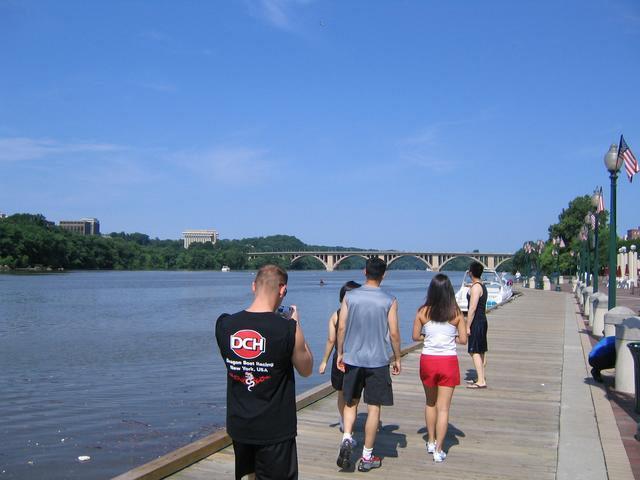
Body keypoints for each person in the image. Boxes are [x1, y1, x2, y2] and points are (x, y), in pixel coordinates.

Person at [215, 265, 313, 480]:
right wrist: (296, 323)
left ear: (253, 286)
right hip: (274, 428)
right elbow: (306, 369)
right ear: (282, 290)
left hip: (239, 424)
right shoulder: (287, 329)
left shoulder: (224, 325)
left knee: (249, 475)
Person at [335, 258, 401, 472]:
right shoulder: (389, 300)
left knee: (351, 403)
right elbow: (393, 333)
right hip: (377, 361)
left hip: (353, 359)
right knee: (374, 408)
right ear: (385, 274)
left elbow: (342, 326)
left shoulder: (350, 297)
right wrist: (397, 357)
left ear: (364, 272)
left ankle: (346, 438)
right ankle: (366, 457)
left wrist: (341, 352)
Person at [412, 274, 467, 463]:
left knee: (430, 403)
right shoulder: (456, 313)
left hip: (428, 360)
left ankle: (430, 440)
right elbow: (463, 340)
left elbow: (415, 337)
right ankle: (439, 450)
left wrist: (427, 338)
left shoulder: (422, 312)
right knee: (443, 408)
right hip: (448, 362)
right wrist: (451, 337)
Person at [318, 280, 361, 432]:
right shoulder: (361, 314)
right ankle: (350, 423)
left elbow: (331, 340)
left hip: (339, 359)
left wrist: (324, 361)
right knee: (355, 394)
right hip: (358, 359)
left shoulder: (335, 315)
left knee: (341, 393)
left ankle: (343, 420)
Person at [466, 261, 488, 388]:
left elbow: (472, 308)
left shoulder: (475, 288)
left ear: (471, 273)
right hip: (482, 320)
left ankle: (481, 381)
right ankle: (480, 376)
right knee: (481, 350)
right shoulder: (481, 286)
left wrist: (468, 325)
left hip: (477, 322)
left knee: (474, 350)